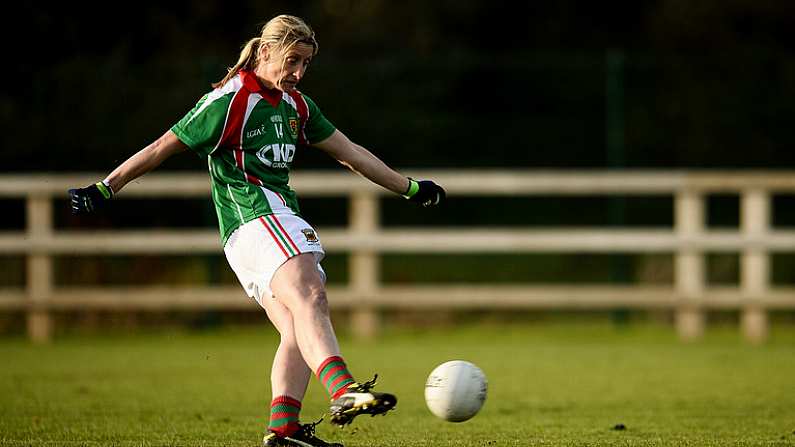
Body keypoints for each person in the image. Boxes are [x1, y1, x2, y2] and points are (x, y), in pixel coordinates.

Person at [68, 14, 445, 447]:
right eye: (293, 60)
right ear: (265, 52)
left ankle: (284, 430)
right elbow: (161, 146)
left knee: (296, 324)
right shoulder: (230, 101)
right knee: (311, 296)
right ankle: (344, 391)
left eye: (306, 64)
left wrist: (410, 187)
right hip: (254, 218)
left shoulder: (295, 106)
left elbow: (351, 153)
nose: (299, 73)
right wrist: (106, 187)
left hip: (259, 229)